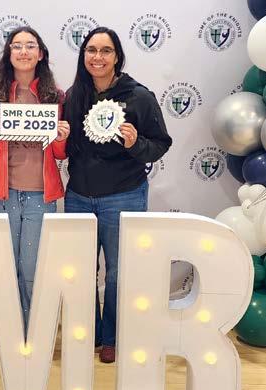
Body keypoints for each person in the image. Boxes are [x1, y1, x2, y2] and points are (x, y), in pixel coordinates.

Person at [63, 27, 172, 363]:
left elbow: (160, 144)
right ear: (83, 55)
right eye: (91, 50)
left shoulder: (139, 96)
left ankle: (111, 337)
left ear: (117, 56)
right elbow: (65, 147)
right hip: (78, 196)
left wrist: (135, 143)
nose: (97, 57)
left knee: (118, 273)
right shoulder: (74, 95)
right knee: (80, 271)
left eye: (106, 50)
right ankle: (89, 333)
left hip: (124, 195)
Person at [0, 27, 70, 331]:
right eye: (17, 46)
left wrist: (61, 137)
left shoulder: (55, 96)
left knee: (32, 268)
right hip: (1, 194)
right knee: (3, 267)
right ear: (9, 53)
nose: (24, 51)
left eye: (30, 46)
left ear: (40, 54)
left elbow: (59, 154)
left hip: (40, 194)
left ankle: (31, 331)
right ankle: (7, 330)